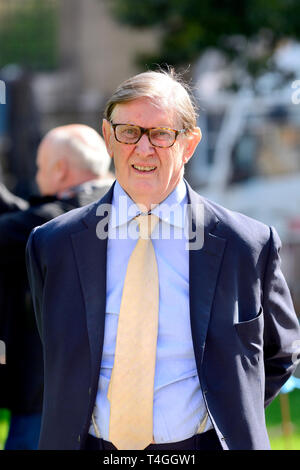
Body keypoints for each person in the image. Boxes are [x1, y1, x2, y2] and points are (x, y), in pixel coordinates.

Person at [26, 70, 300, 451]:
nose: (142, 149)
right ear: (108, 136)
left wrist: (229, 418)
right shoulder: (52, 244)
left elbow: (279, 351)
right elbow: (56, 347)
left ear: (189, 144)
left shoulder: (245, 244)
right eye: (129, 132)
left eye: (161, 134)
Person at [0, 124, 114, 450]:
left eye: (39, 167)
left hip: (46, 399)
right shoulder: (130, 210)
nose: (36, 175)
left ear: (60, 169)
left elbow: (23, 223)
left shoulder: (51, 224)